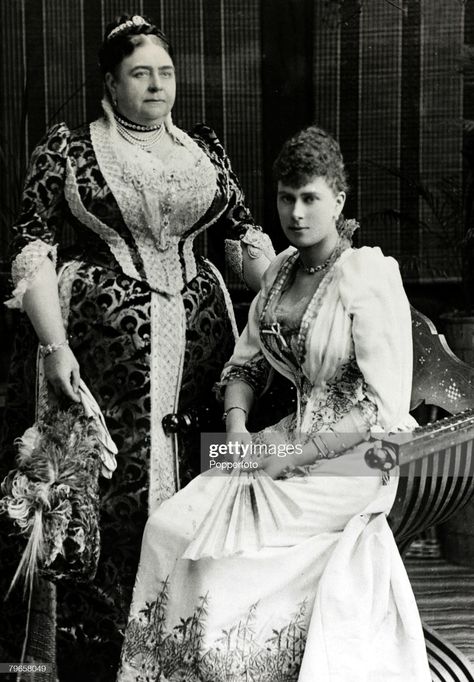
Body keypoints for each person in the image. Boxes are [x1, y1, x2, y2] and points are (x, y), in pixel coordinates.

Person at [0, 13, 274, 681]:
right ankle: (105, 656)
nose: (157, 85)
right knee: (111, 493)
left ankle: (188, 649)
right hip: (103, 351)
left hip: (202, 348)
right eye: (140, 74)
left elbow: (241, 236)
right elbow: (33, 250)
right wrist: (54, 344)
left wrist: (305, 299)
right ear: (112, 84)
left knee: (205, 473)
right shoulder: (69, 149)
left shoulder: (204, 147)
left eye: (166, 72)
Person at [117, 126, 431, 681]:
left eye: (311, 198)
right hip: (280, 440)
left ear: (338, 198)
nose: (297, 212)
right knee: (170, 522)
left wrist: (292, 456)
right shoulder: (282, 271)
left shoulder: (367, 276)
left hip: (365, 457)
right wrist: (237, 427)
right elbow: (245, 367)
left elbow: (385, 412)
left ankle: (241, 667)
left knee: (223, 557)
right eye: (287, 198)